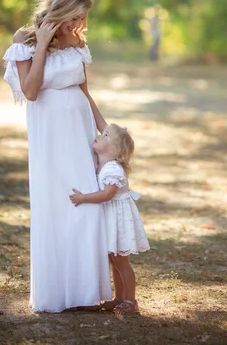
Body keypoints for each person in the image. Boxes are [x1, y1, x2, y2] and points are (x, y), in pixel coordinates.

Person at [3, 0, 112, 313]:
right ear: (61, 8)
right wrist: (44, 42)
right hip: (50, 132)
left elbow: (85, 91)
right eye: (75, 17)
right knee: (57, 204)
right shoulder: (25, 40)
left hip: (79, 129)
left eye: (82, 19)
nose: (79, 25)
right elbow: (31, 91)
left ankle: (85, 292)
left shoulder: (78, 42)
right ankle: (56, 295)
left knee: (87, 201)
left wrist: (106, 129)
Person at [69, 124, 150, 313]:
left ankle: (131, 301)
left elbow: (107, 195)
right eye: (102, 133)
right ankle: (119, 297)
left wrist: (83, 198)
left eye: (106, 135)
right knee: (114, 261)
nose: (100, 134)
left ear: (114, 151)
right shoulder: (100, 163)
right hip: (109, 217)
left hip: (118, 220)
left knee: (122, 262)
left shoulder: (113, 169)